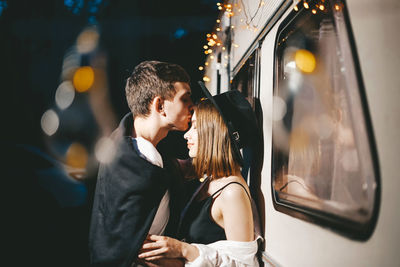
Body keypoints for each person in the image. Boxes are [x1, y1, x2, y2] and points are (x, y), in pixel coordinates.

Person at [138, 82, 262, 266]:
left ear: (214, 133)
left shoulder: (232, 193)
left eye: (195, 127)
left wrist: (184, 249)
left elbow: (244, 264)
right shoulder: (212, 179)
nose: (186, 135)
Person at [88, 60, 193, 267]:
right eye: (185, 99)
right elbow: (134, 251)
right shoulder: (142, 163)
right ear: (160, 105)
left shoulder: (126, 141)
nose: (192, 106)